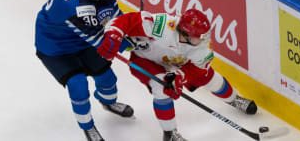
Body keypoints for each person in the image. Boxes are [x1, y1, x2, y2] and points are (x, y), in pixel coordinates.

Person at [97, 9, 258, 141]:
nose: (203, 40)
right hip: (146, 61)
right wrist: (114, 36)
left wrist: (179, 77)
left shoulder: (201, 49)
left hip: (178, 64)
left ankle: (234, 99)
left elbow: (199, 69)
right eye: (199, 37)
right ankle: (170, 134)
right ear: (185, 33)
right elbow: (127, 20)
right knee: (160, 87)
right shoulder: (161, 27)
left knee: (210, 78)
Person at [35, 0, 134, 141]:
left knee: (108, 78)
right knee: (78, 85)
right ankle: (88, 127)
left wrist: (132, 38)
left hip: (81, 39)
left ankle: (108, 103)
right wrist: (128, 46)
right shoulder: (74, 6)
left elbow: (116, 19)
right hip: (55, 47)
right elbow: (100, 42)